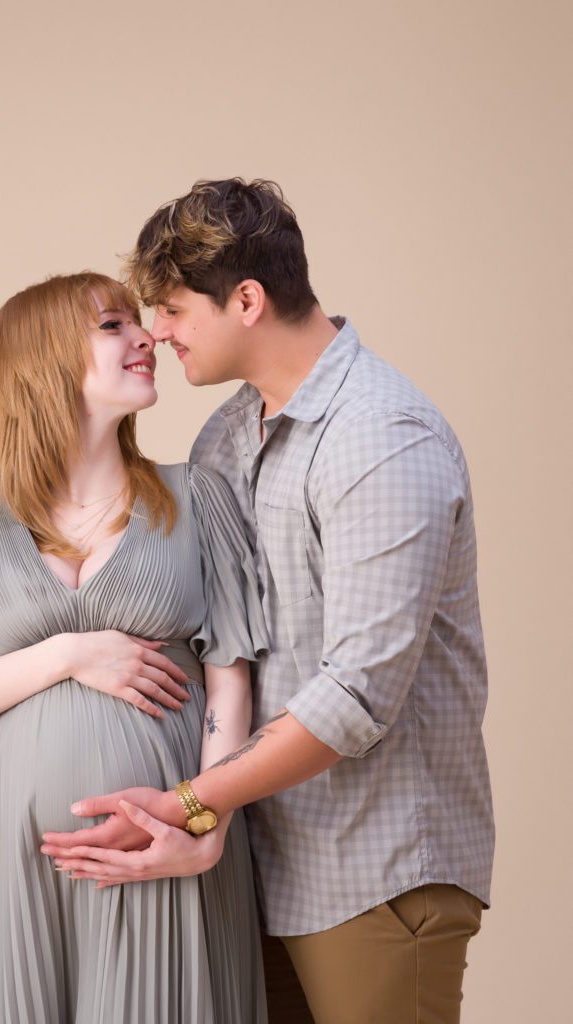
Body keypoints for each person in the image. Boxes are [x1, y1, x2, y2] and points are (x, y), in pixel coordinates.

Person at [35, 181, 496, 1024]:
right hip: (249, 859)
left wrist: (191, 801)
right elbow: (207, 644)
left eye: (171, 309)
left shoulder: (380, 438)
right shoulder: (226, 436)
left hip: (374, 869)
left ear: (245, 299)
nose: (157, 332)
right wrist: (36, 740)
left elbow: (355, 698)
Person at [0, 272, 269, 1022]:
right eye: (112, 325)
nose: (146, 337)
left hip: (160, 850)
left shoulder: (196, 497)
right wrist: (68, 652)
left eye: (139, 321)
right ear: (41, 362)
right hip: (21, 867)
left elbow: (230, 685)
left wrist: (201, 827)